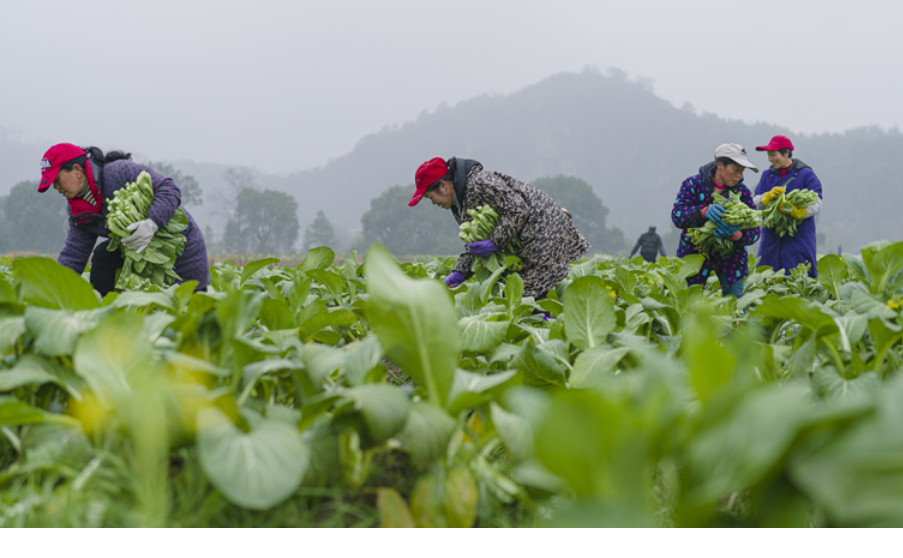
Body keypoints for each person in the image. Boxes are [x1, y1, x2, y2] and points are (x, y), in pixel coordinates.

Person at [39, 143, 211, 296]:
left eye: (57, 179)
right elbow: (74, 255)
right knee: (102, 256)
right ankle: (102, 314)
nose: (56, 187)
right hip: (136, 247)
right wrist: (50, 291)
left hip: (179, 247)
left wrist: (152, 223)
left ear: (77, 170)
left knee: (189, 308)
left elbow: (169, 188)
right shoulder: (78, 211)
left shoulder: (117, 172)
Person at [409, 157, 590, 299]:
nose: (433, 203)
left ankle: (550, 331)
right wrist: (458, 273)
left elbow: (518, 209)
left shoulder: (479, 183)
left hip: (543, 231)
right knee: (519, 297)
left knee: (524, 298)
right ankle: (548, 326)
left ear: (443, 186)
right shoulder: (459, 203)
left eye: (430, 197)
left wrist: (495, 241)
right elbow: (477, 244)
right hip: (530, 238)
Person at [671, 144, 762, 298]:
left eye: (742, 171)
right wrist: (703, 212)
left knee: (735, 304)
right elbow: (677, 215)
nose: (739, 175)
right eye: (735, 169)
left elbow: (755, 231)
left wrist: (737, 235)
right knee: (688, 303)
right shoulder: (693, 185)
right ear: (720, 165)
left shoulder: (742, 193)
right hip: (694, 254)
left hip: (732, 258)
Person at [753, 135, 823, 277]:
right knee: (766, 281)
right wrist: (766, 197)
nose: (770, 159)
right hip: (771, 241)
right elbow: (754, 203)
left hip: (799, 240)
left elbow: (817, 202)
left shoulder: (805, 174)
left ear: (786, 153)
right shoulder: (767, 175)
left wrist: (800, 212)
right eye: (769, 156)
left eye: (774, 155)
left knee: (800, 281)